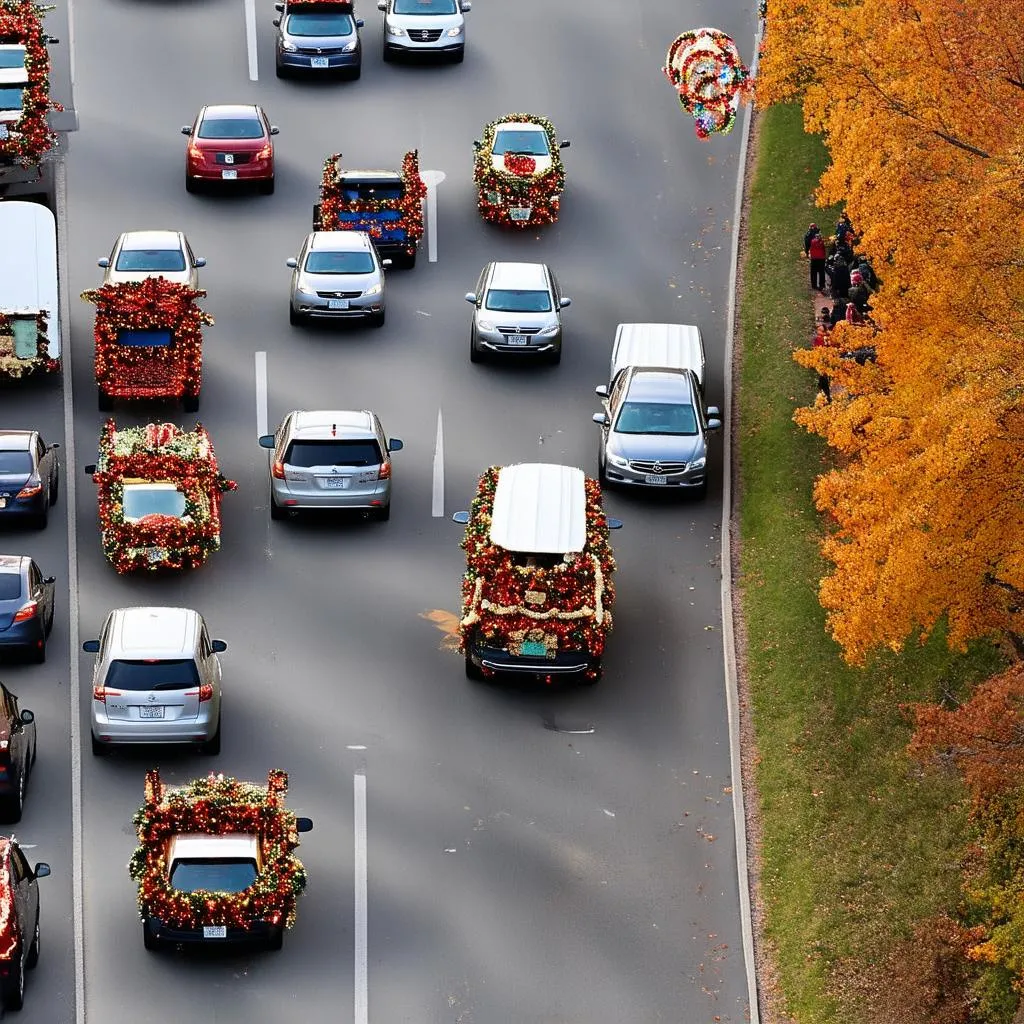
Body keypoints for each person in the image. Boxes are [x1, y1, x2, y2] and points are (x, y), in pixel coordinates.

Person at [812, 320, 832, 402]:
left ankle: (826, 396)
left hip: (826, 362)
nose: (819, 332)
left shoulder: (826, 339)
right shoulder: (818, 339)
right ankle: (825, 396)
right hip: (822, 361)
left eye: (821, 330)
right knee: (824, 380)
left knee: (825, 380)